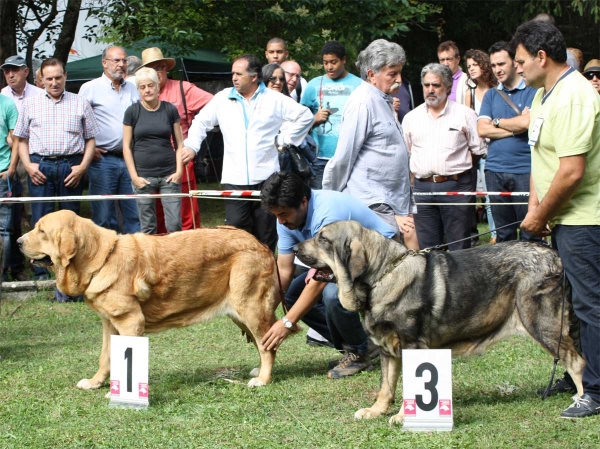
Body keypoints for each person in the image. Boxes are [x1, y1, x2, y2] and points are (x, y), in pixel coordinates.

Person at [512, 20, 600, 419]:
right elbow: (541, 157)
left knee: (590, 306)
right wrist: (536, 210)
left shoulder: (575, 96)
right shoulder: (546, 95)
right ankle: (579, 374)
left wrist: (539, 215)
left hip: (585, 219)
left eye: (520, 61)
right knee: (568, 303)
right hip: (559, 217)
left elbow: (571, 172)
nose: (517, 69)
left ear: (541, 57)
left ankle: (597, 391)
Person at [260, 171, 396, 378]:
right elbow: (284, 270)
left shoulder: (328, 213)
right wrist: (266, 313)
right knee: (292, 296)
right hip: (345, 264)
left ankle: (358, 353)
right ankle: (363, 344)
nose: (280, 222)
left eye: (284, 214)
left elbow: (320, 280)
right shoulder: (286, 221)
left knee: (333, 295)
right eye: (276, 215)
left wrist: (287, 323)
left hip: (382, 261)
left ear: (303, 202)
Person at [182, 54, 313, 251]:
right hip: (234, 178)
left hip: (267, 178)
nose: (233, 77)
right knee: (235, 234)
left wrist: (284, 139)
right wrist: (191, 145)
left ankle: (265, 277)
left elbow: (305, 116)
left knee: (266, 235)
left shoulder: (274, 99)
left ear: (254, 76)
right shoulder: (222, 98)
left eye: (238, 73)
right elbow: (201, 122)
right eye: (232, 73)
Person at [13, 58, 98, 300]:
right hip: (41, 167)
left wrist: (82, 167)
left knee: (72, 228)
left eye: (58, 77)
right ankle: (47, 278)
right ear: (40, 80)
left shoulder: (80, 102)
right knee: (41, 225)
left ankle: (76, 283)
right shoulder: (30, 104)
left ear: (65, 77)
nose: (54, 82)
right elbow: (20, 139)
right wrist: (28, 165)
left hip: (71, 168)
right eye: (48, 78)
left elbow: (91, 139)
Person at [323, 39, 418, 249]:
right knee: (384, 269)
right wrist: (331, 198)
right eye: (392, 73)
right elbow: (343, 158)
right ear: (372, 74)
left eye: (399, 72)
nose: (399, 79)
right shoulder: (362, 102)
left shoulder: (382, 99)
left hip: (388, 202)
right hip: (372, 203)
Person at [402, 63, 484, 251]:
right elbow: (405, 154)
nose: (430, 90)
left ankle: (462, 281)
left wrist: (458, 173)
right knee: (429, 249)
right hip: (422, 189)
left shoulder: (465, 114)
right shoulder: (411, 118)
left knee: (459, 247)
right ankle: (434, 281)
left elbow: (478, 150)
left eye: (436, 85)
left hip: (455, 186)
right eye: (426, 85)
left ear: (447, 87)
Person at [137, 47, 213, 230]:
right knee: (154, 216)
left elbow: (215, 105)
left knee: (184, 216)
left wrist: (193, 142)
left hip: (179, 160)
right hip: (149, 164)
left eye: (160, 67)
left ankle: (189, 256)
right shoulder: (139, 91)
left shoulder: (183, 88)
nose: (157, 73)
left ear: (166, 69)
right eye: (151, 68)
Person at [477, 41, 539, 243]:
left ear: (515, 62)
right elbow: (481, 129)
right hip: (494, 170)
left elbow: (528, 123)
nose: (497, 70)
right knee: (504, 235)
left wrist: (496, 123)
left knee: (531, 233)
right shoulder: (491, 94)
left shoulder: (533, 90)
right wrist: (515, 128)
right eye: (493, 66)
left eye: (501, 64)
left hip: (525, 169)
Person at [78, 46, 140, 235]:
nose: (121, 65)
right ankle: (107, 260)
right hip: (103, 161)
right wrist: (88, 148)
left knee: (134, 213)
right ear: (104, 63)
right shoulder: (90, 88)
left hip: (131, 159)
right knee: (104, 215)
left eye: (124, 61)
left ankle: (135, 258)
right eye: (116, 60)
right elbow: (76, 121)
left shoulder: (133, 87)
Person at [123, 67, 183, 234]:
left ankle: (176, 260)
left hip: (169, 176)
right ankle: (151, 260)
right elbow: (126, 147)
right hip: (143, 177)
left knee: (174, 225)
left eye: (150, 85)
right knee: (148, 227)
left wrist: (179, 171)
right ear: (138, 90)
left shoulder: (170, 109)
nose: (147, 90)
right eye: (142, 87)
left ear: (157, 86)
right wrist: (134, 177)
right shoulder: (132, 111)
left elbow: (179, 144)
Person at [1, 55, 44, 281]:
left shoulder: (38, 94)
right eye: (7, 71)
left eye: (15, 70)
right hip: (10, 162)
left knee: (33, 214)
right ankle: (14, 267)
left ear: (25, 71)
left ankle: (38, 266)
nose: (10, 75)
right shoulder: (2, 96)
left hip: (33, 160)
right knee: (11, 219)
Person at [300, 41, 363, 188]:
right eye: (325, 62)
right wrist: (314, 119)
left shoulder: (359, 85)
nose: (329, 67)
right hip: (319, 160)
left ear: (344, 60)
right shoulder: (313, 85)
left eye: (333, 62)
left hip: (350, 159)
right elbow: (297, 122)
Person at [463, 49, 497, 244]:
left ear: (484, 65)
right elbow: (469, 122)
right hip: (477, 148)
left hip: (496, 145)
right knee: (479, 194)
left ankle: (495, 234)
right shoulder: (470, 92)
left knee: (493, 194)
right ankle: (489, 233)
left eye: (474, 65)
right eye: (468, 67)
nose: (471, 69)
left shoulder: (497, 88)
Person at [0, 93, 18, 281]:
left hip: (2, 174)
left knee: (3, 230)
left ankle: (3, 275)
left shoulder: (7, 104)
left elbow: (17, 141)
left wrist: (11, 169)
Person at [437, 40, 468, 105]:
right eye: (442, 60)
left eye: (449, 59)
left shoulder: (467, 81)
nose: (445, 64)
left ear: (458, 60)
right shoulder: (437, 81)